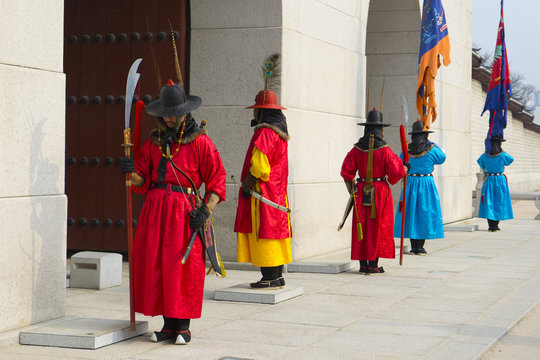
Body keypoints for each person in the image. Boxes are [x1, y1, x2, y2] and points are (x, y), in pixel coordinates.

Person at [119, 80, 226, 344]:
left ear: (184, 112)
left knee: (183, 265)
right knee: (157, 264)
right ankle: (167, 325)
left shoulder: (201, 142)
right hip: (155, 211)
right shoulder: (152, 143)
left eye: (173, 114)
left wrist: (206, 210)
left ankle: (183, 326)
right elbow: (141, 180)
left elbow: (217, 180)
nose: (168, 119)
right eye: (164, 114)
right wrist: (129, 170)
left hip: (185, 212)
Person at [234, 87, 292, 289]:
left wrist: (246, 186)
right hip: (276, 192)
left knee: (265, 233)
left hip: (262, 193)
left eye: (256, 109)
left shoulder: (266, 132)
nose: (254, 113)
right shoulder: (280, 133)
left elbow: (259, 166)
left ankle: (269, 277)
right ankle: (276, 276)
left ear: (263, 112)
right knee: (275, 233)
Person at [340, 108, 406, 274]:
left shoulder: (356, 149)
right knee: (377, 227)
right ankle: (372, 264)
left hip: (361, 190)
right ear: (380, 129)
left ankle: (363, 264)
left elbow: (346, 172)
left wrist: (353, 191)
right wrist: (405, 168)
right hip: (380, 191)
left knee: (361, 225)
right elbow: (395, 173)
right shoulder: (385, 150)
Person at [394, 120, 446, 255]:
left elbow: (400, 163)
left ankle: (413, 247)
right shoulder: (431, 150)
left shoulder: (407, 149)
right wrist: (435, 145)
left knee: (411, 213)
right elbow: (442, 158)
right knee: (424, 213)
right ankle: (420, 247)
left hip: (410, 183)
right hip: (426, 183)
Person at [477, 136, 513, 231]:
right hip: (499, 179)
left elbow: (480, 163)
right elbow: (510, 160)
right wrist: (501, 150)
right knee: (499, 201)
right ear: (499, 144)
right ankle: (496, 225)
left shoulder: (485, 155)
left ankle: (491, 225)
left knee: (489, 201)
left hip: (489, 178)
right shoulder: (502, 155)